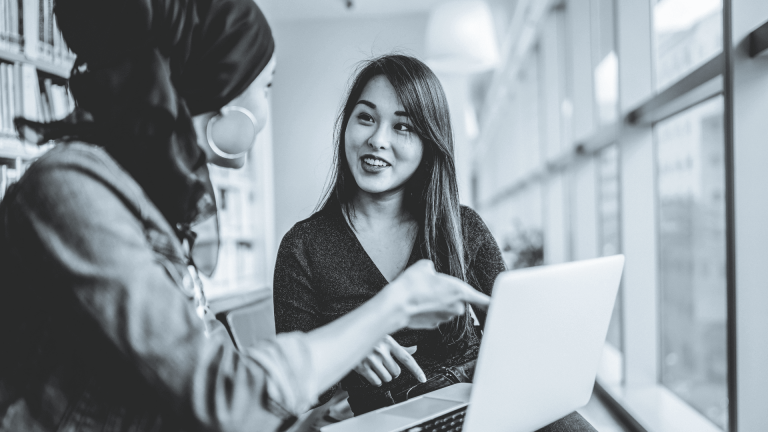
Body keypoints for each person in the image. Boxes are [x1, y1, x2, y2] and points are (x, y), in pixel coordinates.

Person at [0, 1, 489, 431]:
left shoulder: (149, 208)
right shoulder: (71, 191)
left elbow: (221, 381)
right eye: (266, 87)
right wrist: (389, 309)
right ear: (224, 90)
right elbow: (224, 398)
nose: (264, 108)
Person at [273, 54, 596, 431]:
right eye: (366, 118)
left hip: (483, 401)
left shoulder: (462, 226)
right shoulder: (303, 247)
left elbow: (513, 337)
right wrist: (348, 349)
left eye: (403, 127)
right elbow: (291, 394)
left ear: (430, 142)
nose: (378, 140)